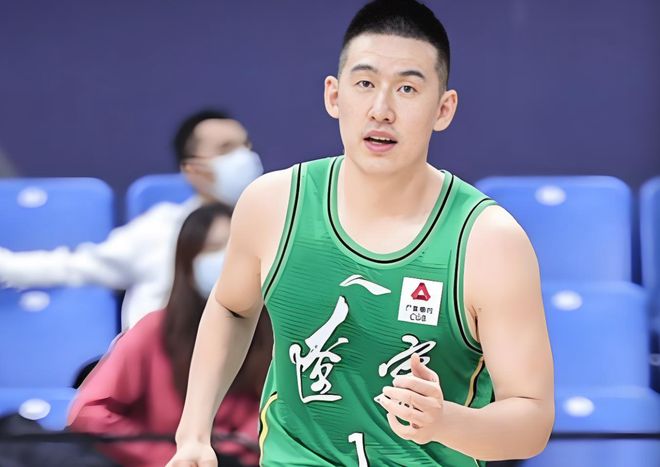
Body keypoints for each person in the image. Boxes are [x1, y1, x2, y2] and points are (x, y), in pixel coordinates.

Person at [168, 1, 554, 466]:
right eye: (365, 83)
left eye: (407, 88)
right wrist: (193, 433)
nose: (381, 109)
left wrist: (444, 422)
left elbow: (531, 421)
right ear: (334, 95)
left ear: (443, 108)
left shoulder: (489, 241)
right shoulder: (273, 204)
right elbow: (232, 307)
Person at [0, 109, 263, 328]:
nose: (245, 157)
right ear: (192, 169)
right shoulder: (160, 230)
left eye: (246, 145)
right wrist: (7, 265)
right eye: (226, 149)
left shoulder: (278, 227)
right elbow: (73, 266)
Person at [68, 203, 272, 467]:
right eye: (211, 249)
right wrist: (167, 457)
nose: (222, 258)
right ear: (187, 264)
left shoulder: (274, 332)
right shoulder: (152, 330)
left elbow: (280, 410)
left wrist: (234, 454)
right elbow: (89, 413)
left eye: (231, 248)